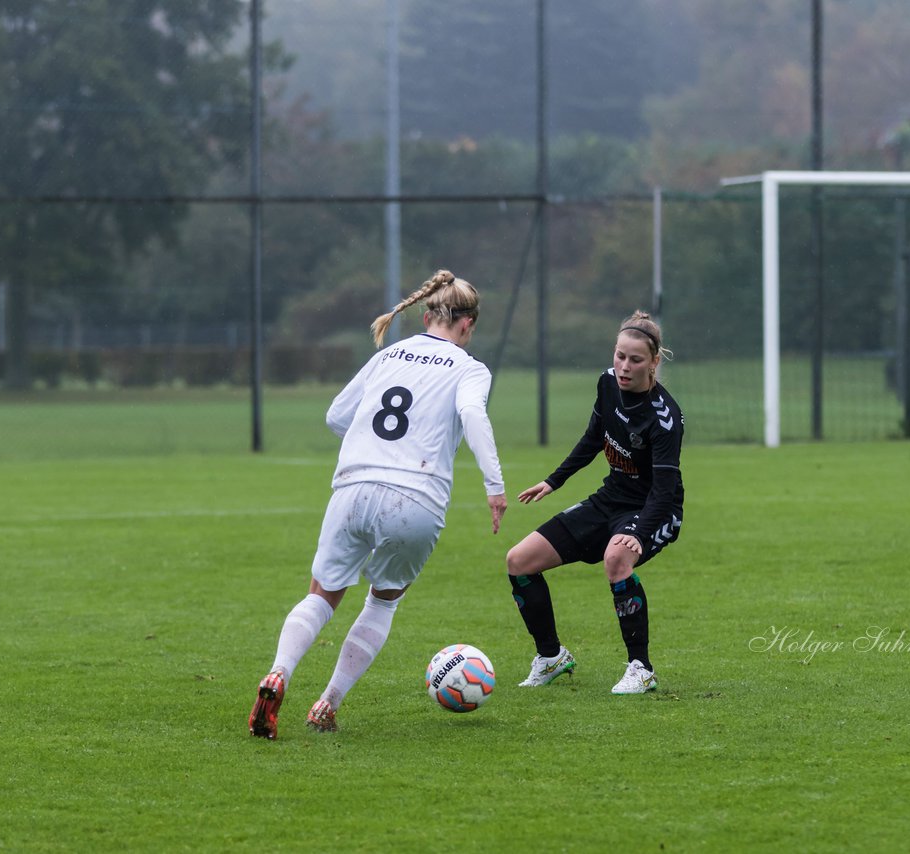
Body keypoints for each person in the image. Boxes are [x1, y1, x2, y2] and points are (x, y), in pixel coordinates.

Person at [249, 270, 507, 739]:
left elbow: (335, 417)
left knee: (320, 596)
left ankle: (279, 673)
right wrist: (495, 486)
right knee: (383, 602)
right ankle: (327, 704)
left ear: (426, 315)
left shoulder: (388, 353)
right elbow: (472, 415)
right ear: (468, 325)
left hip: (353, 487)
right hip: (416, 499)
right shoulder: (470, 368)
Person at [506, 310, 684, 695]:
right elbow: (592, 438)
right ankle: (551, 657)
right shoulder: (606, 383)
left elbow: (665, 490)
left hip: (655, 509)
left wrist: (642, 531)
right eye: (620, 355)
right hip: (611, 499)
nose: (624, 366)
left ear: (654, 362)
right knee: (519, 561)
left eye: (635, 360)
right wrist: (553, 481)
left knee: (616, 558)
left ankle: (642, 669)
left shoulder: (665, 418)